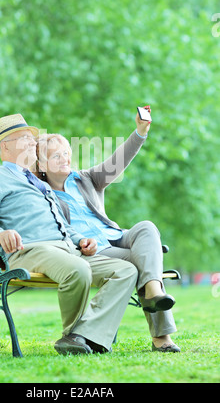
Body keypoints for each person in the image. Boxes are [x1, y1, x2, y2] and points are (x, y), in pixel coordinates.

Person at [0, 113, 139, 355]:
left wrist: (80, 240)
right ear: (5, 146)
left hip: (65, 249)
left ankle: (82, 336)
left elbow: (61, 225)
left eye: (32, 138)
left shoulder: (40, 183)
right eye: (24, 138)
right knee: (78, 270)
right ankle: (74, 335)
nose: (32, 143)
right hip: (30, 251)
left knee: (125, 270)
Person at [36, 107, 180, 353]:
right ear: (41, 164)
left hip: (115, 237)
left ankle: (153, 287)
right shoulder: (41, 194)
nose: (64, 159)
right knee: (141, 265)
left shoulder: (86, 178)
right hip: (94, 251)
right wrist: (81, 242)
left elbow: (118, 161)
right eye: (55, 156)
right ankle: (161, 338)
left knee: (147, 227)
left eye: (66, 153)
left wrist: (140, 132)